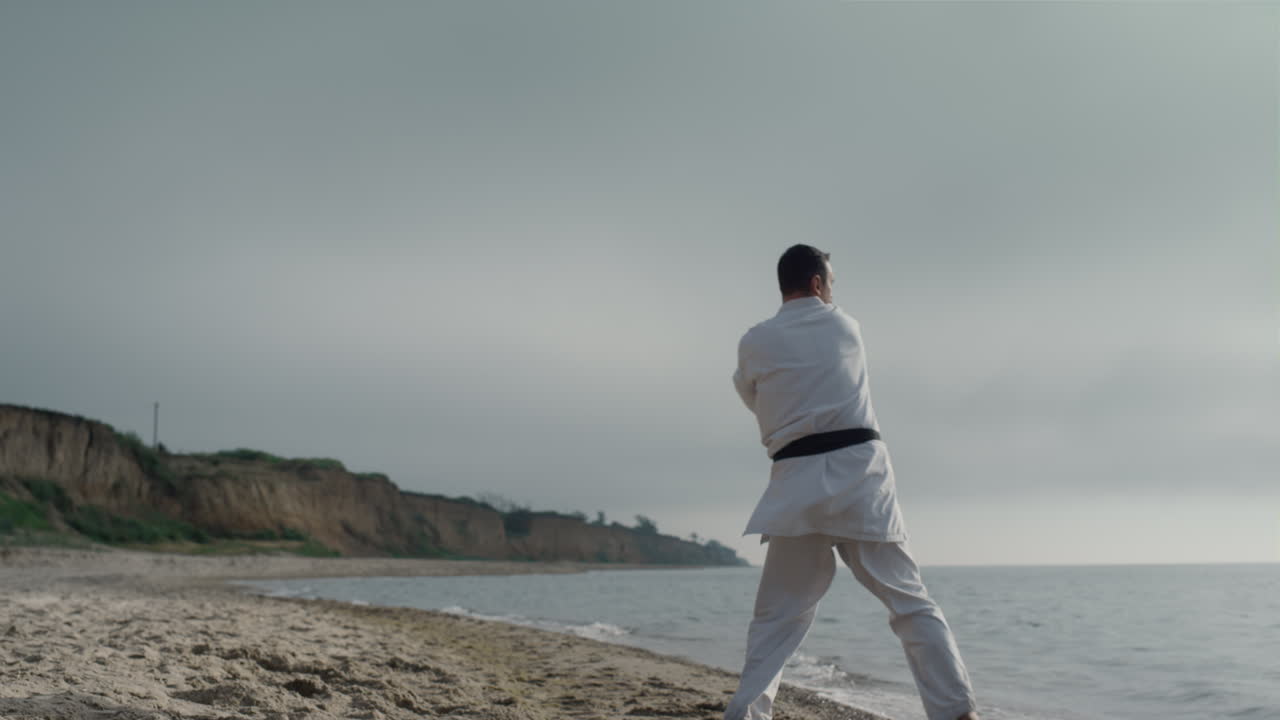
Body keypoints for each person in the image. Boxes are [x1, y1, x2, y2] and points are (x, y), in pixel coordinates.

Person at [724, 244, 979, 720]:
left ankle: (747, 714)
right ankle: (956, 713)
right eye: (832, 282)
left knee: (776, 619)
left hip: (796, 484)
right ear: (819, 284)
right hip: (860, 478)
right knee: (908, 602)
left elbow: (750, 394)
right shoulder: (845, 325)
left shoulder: (754, 341)